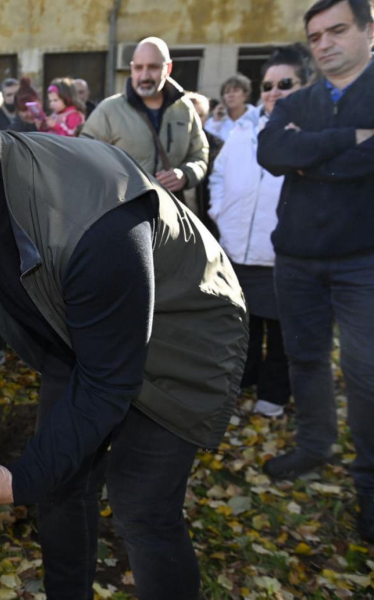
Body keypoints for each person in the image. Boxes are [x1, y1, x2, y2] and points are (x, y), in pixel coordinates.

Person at [0, 77, 247, 599]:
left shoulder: (96, 226)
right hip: (82, 341)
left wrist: (16, 482)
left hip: (181, 348)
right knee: (60, 490)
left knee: (141, 507)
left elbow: (108, 380)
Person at [257, 0, 374, 541]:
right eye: (315, 35)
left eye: (337, 30)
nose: (324, 43)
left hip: (363, 261)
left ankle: (369, 483)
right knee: (305, 357)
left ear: (369, 30)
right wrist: (349, 141)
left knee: (366, 371)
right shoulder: (296, 99)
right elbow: (271, 152)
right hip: (298, 258)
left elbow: (293, 153)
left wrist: (307, 154)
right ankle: (313, 444)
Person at [209, 47, 313, 418]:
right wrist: (220, 211)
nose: (274, 91)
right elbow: (219, 174)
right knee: (244, 327)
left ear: (305, 85)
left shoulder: (313, 129)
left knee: (281, 331)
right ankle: (245, 380)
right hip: (238, 250)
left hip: (283, 253)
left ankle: (273, 393)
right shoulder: (243, 128)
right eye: (268, 84)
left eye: (285, 83)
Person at [81, 36, 209, 197]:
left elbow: (199, 154)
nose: (144, 76)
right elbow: (83, 159)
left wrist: (185, 175)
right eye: (138, 68)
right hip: (123, 213)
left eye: (153, 67)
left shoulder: (184, 109)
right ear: (132, 68)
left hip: (169, 213)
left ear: (168, 69)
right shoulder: (109, 110)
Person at [183, 91, 223, 236]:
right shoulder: (168, 142)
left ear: (206, 117)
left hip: (205, 218)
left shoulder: (217, 145)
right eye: (190, 114)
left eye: (200, 115)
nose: (194, 119)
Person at [205, 73, 257, 142]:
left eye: (235, 91)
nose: (231, 95)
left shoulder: (256, 116)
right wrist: (216, 122)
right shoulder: (216, 121)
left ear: (245, 95)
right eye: (227, 92)